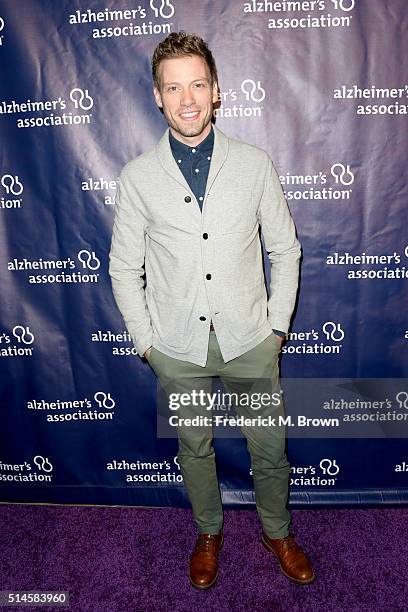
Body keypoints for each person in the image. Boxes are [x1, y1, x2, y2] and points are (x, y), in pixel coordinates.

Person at [109, 31, 315, 589]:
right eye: (174, 88)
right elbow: (125, 269)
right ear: (157, 96)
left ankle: (278, 530)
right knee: (194, 449)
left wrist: (276, 327)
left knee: (269, 448)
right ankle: (208, 532)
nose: (188, 99)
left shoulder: (254, 164)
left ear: (216, 89)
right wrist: (147, 343)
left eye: (197, 84)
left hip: (251, 338)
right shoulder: (137, 178)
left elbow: (285, 250)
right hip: (176, 348)